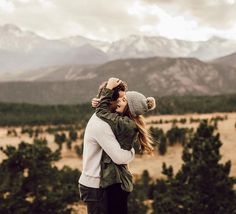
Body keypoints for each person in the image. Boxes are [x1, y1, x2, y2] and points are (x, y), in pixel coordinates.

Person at [95, 77, 156, 214]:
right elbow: (105, 112)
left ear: (130, 108)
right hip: (118, 182)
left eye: (123, 100)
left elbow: (101, 113)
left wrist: (109, 88)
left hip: (116, 182)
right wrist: (98, 102)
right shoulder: (126, 121)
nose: (119, 101)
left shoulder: (125, 124)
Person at [78, 80, 135, 214]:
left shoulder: (107, 118)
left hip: (101, 183)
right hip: (95, 186)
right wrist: (132, 152)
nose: (123, 102)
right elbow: (119, 157)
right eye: (121, 99)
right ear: (110, 101)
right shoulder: (101, 125)